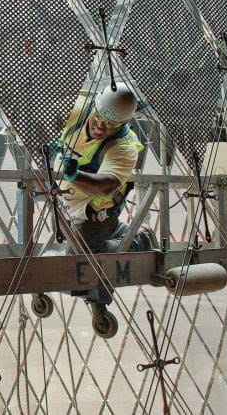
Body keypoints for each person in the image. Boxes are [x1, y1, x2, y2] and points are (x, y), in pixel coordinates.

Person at [51, 84, 157, 329]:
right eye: (97, 119)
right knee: (78, 253)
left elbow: (106, 185)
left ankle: (137, 242)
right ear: (93, 108)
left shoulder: (126, 146)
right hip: (67, 203)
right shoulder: (75, 112)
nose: (100, 127)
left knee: (79, 263)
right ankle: (121, 234)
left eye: (110, 125)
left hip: (96, 212)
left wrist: (75, 175)